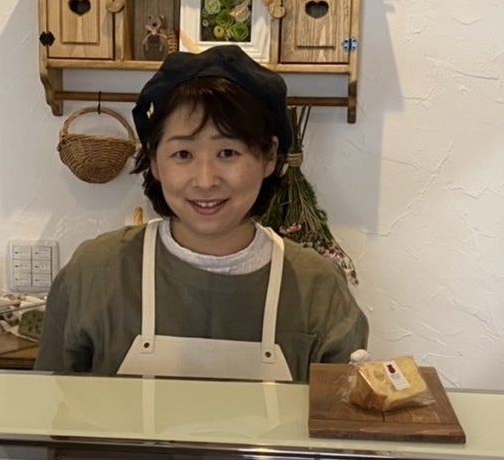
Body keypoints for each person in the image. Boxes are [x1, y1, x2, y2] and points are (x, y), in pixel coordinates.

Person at [34, 45, 369, 382]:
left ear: (269, 156)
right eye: (183, 154)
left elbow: (342, 410)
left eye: (228, 152)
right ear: (154, 160)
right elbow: (48, 405)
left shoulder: (317, 288)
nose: (206, 181)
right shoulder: (96, 272)